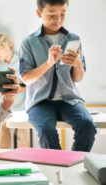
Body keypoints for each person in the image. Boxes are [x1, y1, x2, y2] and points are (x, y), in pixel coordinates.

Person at [19, 0, 96, 151]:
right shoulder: (29, 42)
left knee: (87, 126)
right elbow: (26, 78)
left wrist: (77, 64)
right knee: (47, 131)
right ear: (39, 13)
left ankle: (74, 165)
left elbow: (77, 78)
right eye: (52, 14)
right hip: (40, 102)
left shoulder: (74, 39)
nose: (58, 19)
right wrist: (48, 63)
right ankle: (55, 169)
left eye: (62, 14)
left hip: (69, 100)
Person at [0, 32, 30, 148]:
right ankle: (5, 160)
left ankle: (23, 161)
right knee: (1, 133)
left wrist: (19, 89)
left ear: (7, 45)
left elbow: (32, 86)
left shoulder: (23, 61)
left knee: (23, 136)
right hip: (1, 105)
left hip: (21, 107)